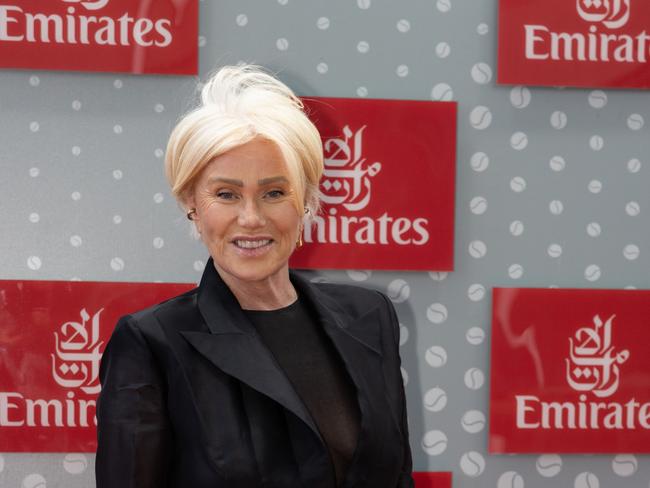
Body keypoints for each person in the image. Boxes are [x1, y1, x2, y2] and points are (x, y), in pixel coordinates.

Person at [95, 65, 414, 488]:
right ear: (192, 202)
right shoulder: (152, 342)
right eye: (226, 194)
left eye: (274, 193)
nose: (251, 218)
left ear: (305, 201)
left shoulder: (370, 317)